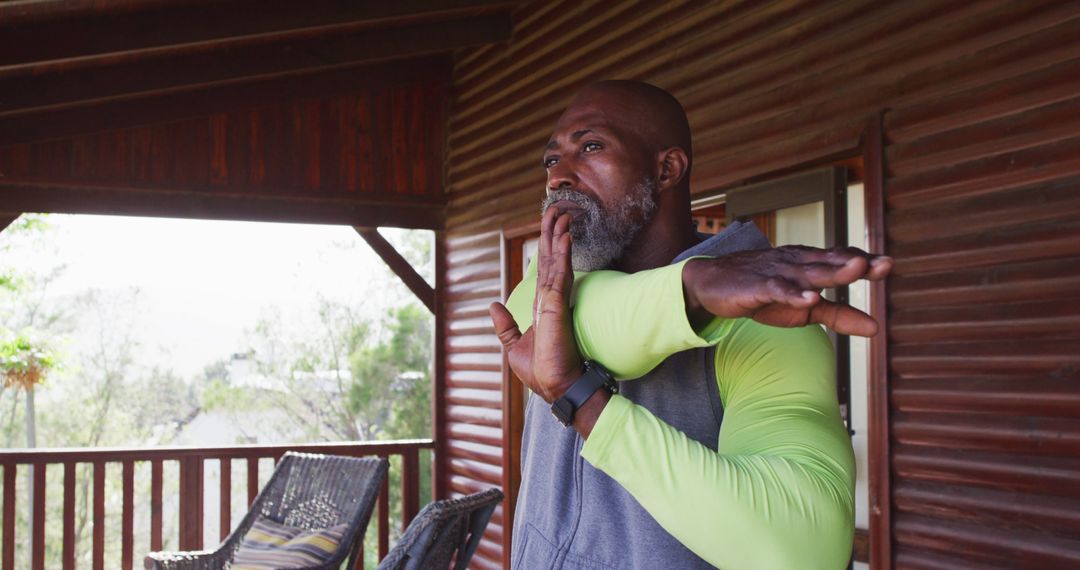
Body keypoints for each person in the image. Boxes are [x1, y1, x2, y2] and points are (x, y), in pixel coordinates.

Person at [488, 80, 892, 569]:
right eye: (551, 161)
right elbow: (601, 329)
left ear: (667, 168)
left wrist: (584, 400)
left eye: (590, 147)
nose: (558, 178)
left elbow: (801, 550)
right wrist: (696, 288)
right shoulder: (553, 279)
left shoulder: (762, 321)